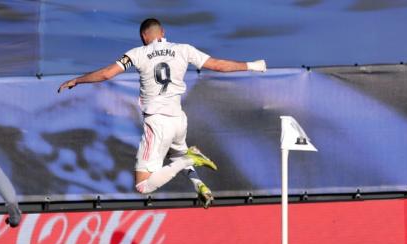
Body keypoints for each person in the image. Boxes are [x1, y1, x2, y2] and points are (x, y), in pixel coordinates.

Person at [57, 18, 267, 208]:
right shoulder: (183, 49)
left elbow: (106, 74)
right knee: (177, 154)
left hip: (157, 122)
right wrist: (253, 65)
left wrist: (77, 80)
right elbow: (218, 66)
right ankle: (199, 185)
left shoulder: (136, 53)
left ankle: (189, 159)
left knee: (143, 185)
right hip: (178, 120)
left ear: (143, 37)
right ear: (163, 33)